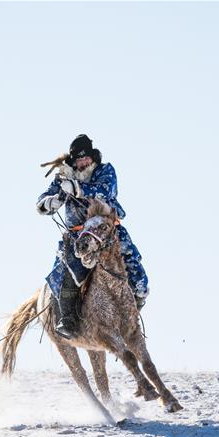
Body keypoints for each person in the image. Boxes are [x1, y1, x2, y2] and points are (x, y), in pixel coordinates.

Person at [36, 134, 149, 339]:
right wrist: (48, 202)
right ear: (73, 160)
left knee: (134, 266)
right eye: (79, 159)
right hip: (78, 236)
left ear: (92, 156)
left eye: (86, 158)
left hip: (107, 232)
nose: (83, 162)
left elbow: (105, 192)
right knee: (68, 270)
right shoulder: (63, 177)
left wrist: (77, 189)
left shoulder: (105, 171)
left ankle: (135, 308)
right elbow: (44, 198)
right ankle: (67, 320)